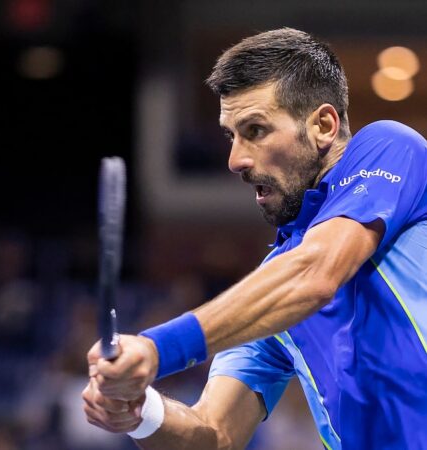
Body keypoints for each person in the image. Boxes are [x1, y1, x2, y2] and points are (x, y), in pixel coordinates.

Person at [82, 28, 427, 450]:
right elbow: (215, 435)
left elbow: (316, 274)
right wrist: (140, 411)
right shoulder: (271, 295)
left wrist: (157, 349)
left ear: (323, 125)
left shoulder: (389, 148)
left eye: (256, 130)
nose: (235, 160)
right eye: (231, 135)